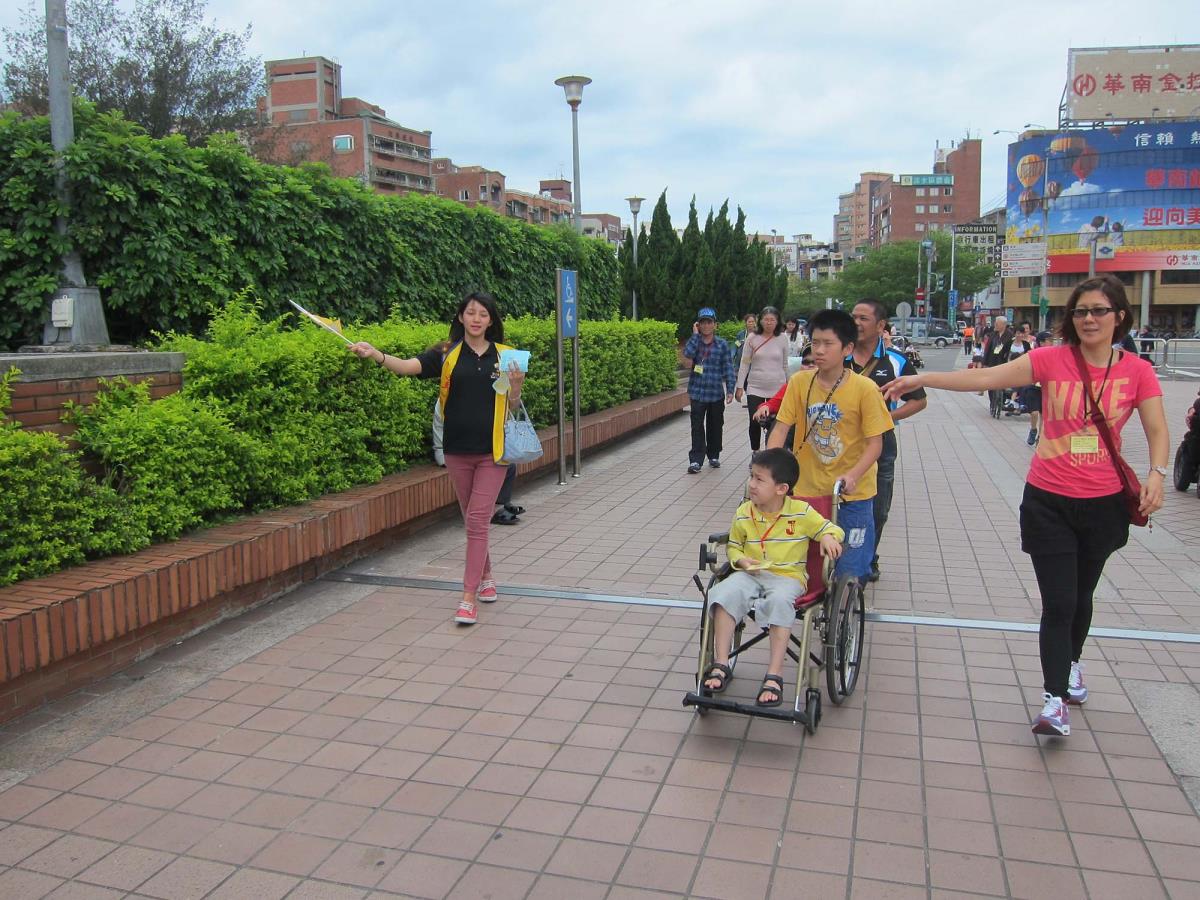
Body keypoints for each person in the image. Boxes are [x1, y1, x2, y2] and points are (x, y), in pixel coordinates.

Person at [883, 274, 1168, 737]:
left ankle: (1071, 664)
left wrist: (1157, 474)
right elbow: (985, 376)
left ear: (1119, 316)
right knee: (1059, 601)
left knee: (1082, 595)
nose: (1089, 319)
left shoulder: (1137, 371)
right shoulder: (1050, 359)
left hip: (1104, 503)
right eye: (1081, 311)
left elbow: (1157, 428)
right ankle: (1055, 700)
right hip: (1048, 499)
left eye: (1098, 311)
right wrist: (922, 377)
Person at [349, 291, 526, 626]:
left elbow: (512, 405)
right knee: (473, 520)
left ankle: (467, 598)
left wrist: (516, 386)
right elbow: (407, 367)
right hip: (456, 451)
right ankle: (486, 576)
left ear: (491, 320)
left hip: (494, 452)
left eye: (483, 314)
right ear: (461, 317)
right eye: (470, 312)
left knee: (477, 520)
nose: (476, 319)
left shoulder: (506, 356)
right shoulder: (446, 353)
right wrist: (375, 354)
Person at [701, 448, 843, 707]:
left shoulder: (801, 512)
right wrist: (741, 561)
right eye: (751, 476)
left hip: (787, 577)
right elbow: (734, 547)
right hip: (749, 574)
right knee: (723, 593)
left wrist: (827, 536)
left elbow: (831, 528)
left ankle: (774, 675)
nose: (751, 484)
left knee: (779, 601)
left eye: (759, 479)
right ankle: (721, 663)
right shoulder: (744, 512)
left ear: (781, 489)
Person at [765, 309, 894, 582]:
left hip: (851, 496)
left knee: (850, 569)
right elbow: (781, 428)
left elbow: (875, 444)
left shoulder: (865, 389)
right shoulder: (799, 382)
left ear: (847, 348)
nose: (819, 350)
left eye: (828, 344)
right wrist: (770, 467)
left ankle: (847, 601)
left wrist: (853, 475)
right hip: (807, 493)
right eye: (815, 342)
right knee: (805, 568)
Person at [848, 300, 927, 583]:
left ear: (880, 325)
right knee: (839, 503)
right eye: (853, 317)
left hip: (882, 444)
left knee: (878, 509)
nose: (856, 323)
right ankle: (844, 557)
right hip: (840, 445)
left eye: (863, 318)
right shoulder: (839, 355)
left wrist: (886, 418)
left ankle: (869, 557)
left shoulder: (896, 360)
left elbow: (919, 401)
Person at [684, 308, 736, 473]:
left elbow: (728, 367)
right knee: (697, 426)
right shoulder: (695, 342)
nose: (706, 325)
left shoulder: (722, 344)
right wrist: (694, 335)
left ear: (715, 324)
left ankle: (714, 455)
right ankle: (696, 460)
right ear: (698, 325)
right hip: (697, 392)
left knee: (715, 425)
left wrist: (730, 389)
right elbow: (688, 354)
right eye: (703, 323)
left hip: (715, 393)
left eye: (709, 322)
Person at [735, 306, 790, 453]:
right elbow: (745, 363)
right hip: (755, 386)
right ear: (760, 321)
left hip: (777, 386)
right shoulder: (752, 338)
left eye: (772, 320)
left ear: (777, 321)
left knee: (774, 422)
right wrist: (739, 386)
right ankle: (755, 451)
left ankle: (771, 452)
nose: (769, 323)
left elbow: (785, 364)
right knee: (754, 421)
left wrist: (791, 384)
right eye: (766, 319)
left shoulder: (783, 338)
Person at [1021, 330, 1053, 446]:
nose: (1051, 343)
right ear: (1042, 342)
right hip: (1033, 387)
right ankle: (1033, 429)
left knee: (1043, 414)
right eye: (1049, 340)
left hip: (1046, 388)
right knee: (1034, 413)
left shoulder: (1053, 356)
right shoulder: (1033, 354)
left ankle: (1040, 436)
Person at [980, 316, 1014, 416]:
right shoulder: (993, 335)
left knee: (1001, 384)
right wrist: (985, 363)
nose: (995, 325)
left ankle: (1001, 400)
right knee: (991, 385)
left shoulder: (1010, 335)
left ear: (1003, 325)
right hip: (992, 362)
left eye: (997, 323)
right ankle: (992, 402)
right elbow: (987, 349)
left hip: (1003, 362)